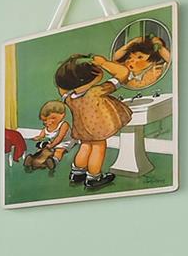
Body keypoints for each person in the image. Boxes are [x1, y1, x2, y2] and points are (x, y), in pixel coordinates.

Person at [53, 55, 130, 189]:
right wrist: (104, 63)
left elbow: (62, 89)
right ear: (93, 75)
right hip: (97, 129)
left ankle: (77, 173)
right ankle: (94, 177)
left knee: (85, 146)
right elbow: (124, 73)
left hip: (81, 129)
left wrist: (68, 73)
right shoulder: (97, 91)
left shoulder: (69, 97)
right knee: (98, 148)